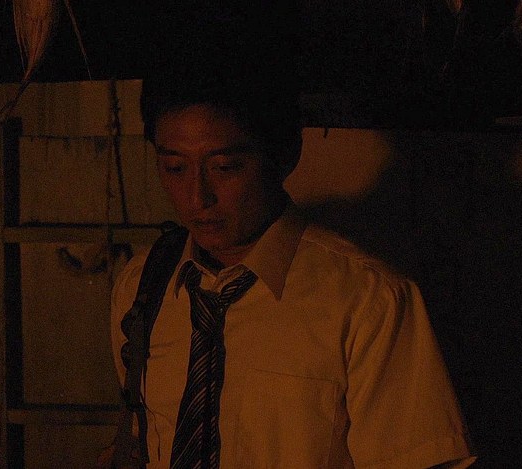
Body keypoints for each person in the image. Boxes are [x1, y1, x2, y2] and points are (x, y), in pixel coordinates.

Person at [105, 37, 475, 469]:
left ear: (284, 155)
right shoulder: (143, 286)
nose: (196, 197)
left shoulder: (366, 301)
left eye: (225, 168)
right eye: (174, 167)